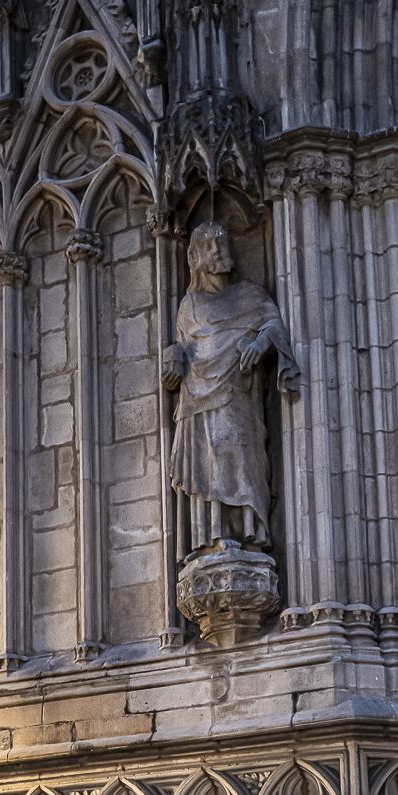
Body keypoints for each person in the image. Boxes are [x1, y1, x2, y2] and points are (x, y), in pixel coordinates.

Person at [162, 221, 300, 555]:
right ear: (195, 257)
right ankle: (213, 538)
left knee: (243, 461)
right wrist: (173, 364)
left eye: (223, 243)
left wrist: (262, 341)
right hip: (197, 403)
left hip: (240, 396)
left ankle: (251, 534)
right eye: (210, 245)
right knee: (208, 464)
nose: (220, 250)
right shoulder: (189, 306)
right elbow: (184, 349)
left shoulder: (251, 294)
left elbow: (275, 327)